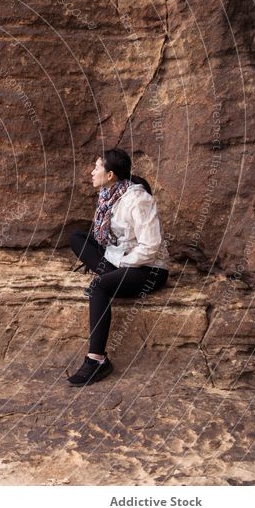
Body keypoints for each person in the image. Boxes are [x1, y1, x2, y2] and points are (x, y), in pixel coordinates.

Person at [67, 148, 170, 386]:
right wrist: (116, 265)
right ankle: (112, 276)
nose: (92, 172)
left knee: (99, 288)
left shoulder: (138, 199)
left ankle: (97, 361)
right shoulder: (108, 195)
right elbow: (107, 239)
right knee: (77, 238)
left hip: (149, 268)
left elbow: (151, 247)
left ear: (110, 174)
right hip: (119, 257)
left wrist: (122, 265)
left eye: (96, 167)